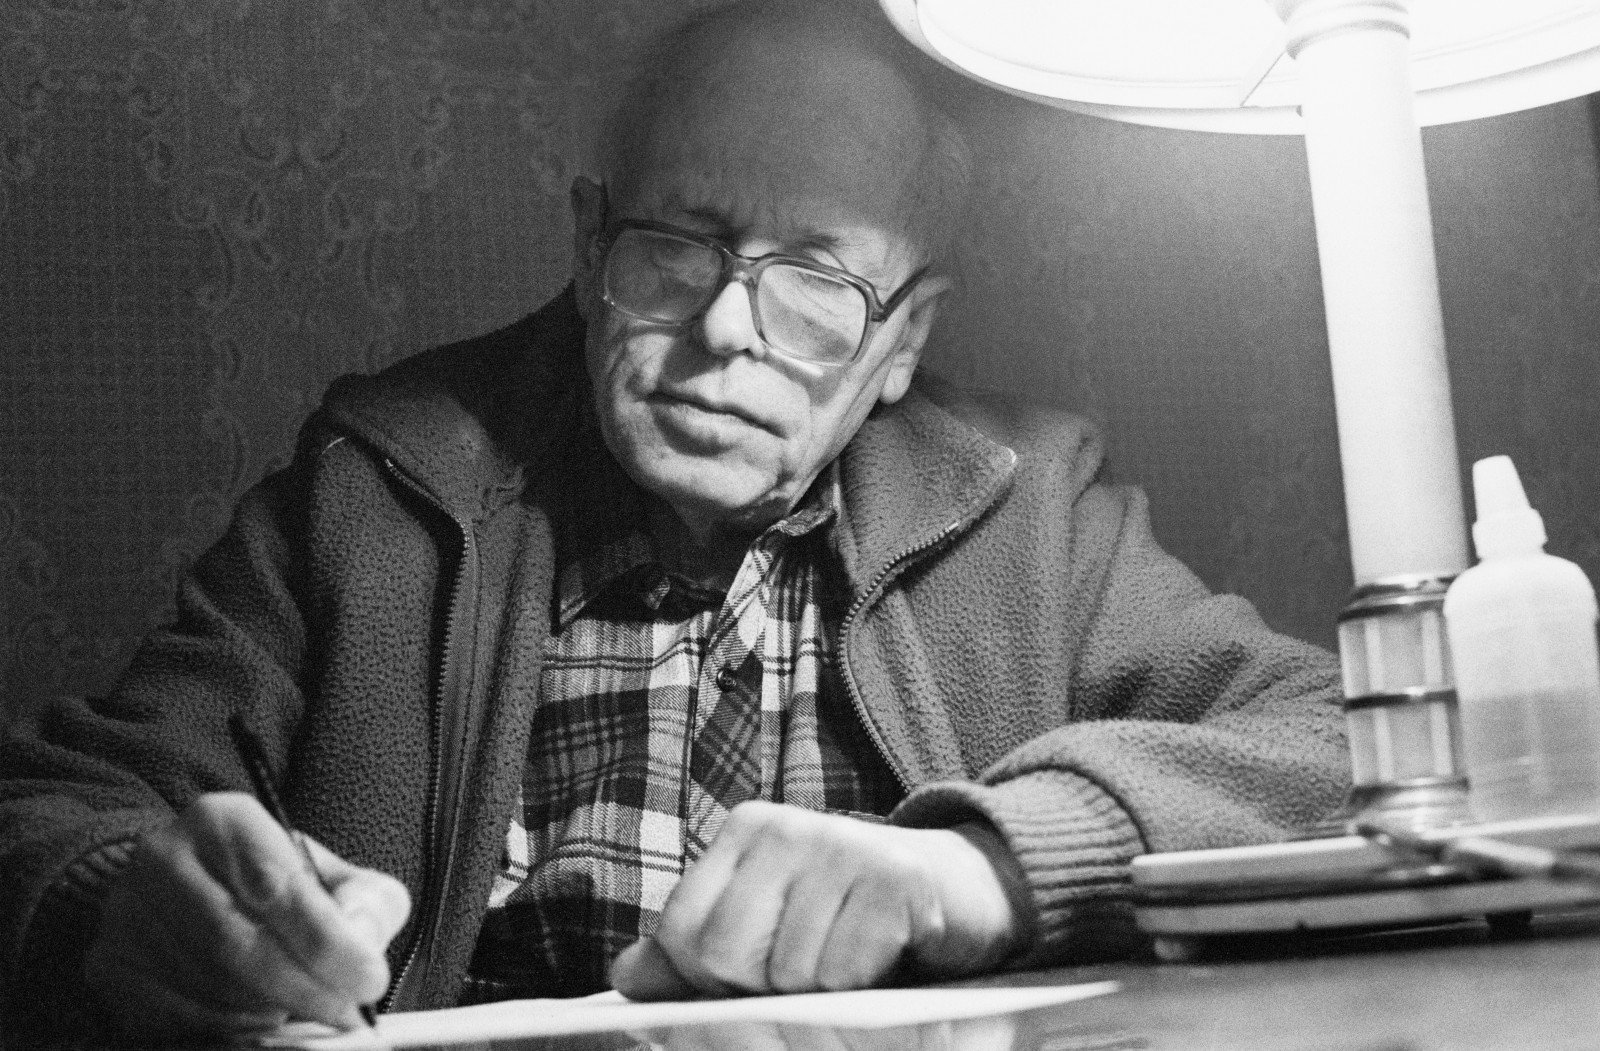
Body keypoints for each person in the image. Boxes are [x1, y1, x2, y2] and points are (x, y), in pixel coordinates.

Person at [0, 0, 1349, 1044]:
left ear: (903, 340)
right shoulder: (382, 485)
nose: (725, 331)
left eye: (816, 286)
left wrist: (984, 865)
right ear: (590, 248)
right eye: (677, 250)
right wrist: (127, 900)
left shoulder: (1030, 504)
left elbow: (1340, 748)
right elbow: (45, 809)